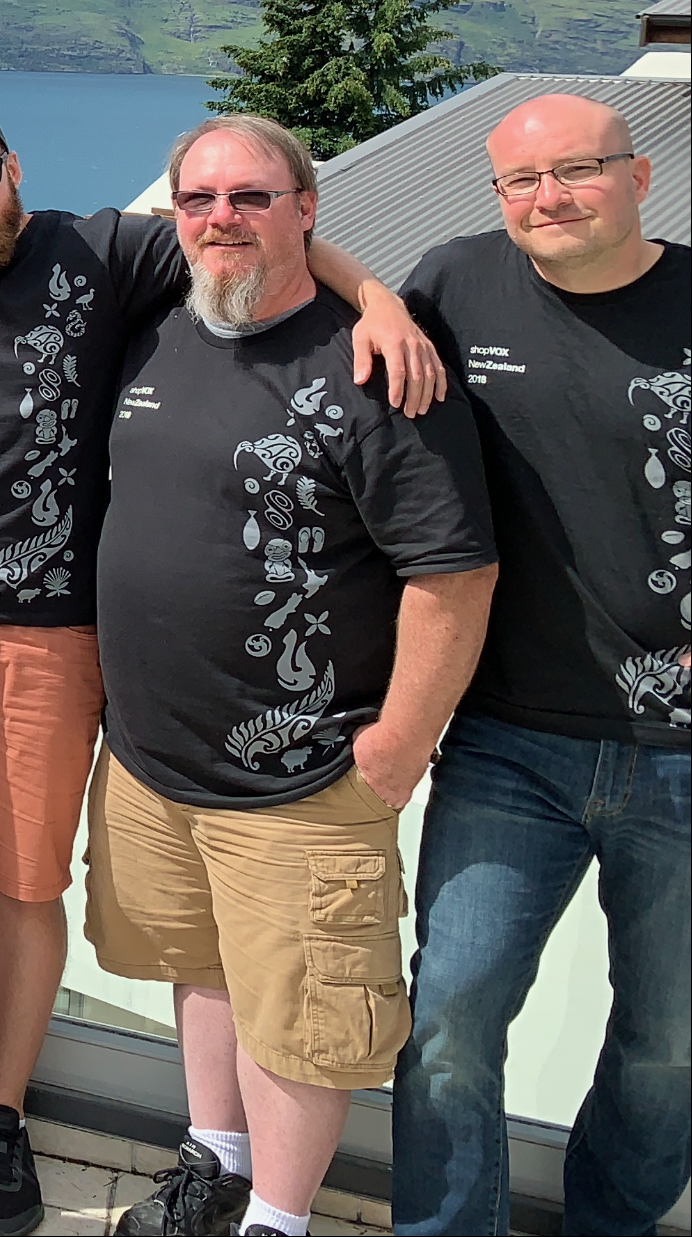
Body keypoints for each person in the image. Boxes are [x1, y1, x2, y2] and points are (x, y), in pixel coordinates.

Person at [0, 98, 441, 1234]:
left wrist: (383, 297)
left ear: (16, 167)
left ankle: (2, 1110)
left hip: (55, 640)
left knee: (28, 885)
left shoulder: (106, 248)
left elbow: (259, 233)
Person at [90, 114, 497, 1237]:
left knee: (305, 1014)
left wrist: (398, 748)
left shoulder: (374, 361)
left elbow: (453, 573)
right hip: (153, 758)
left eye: (252, 198)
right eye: (200, 200)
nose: (223, 218)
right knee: (205, 967)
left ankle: (278, 1219)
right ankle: (213, 1161)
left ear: (307, 212)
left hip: (306, 773)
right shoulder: (159, 330)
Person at [392, 94, 691, 1237]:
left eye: (577, 171)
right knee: (451, 1022)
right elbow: (341, 314)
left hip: (681, 754)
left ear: (639, 176)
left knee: (669, 1047)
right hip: (506, 742)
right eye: (521, 181)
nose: (548, 198)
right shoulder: (458, 284)